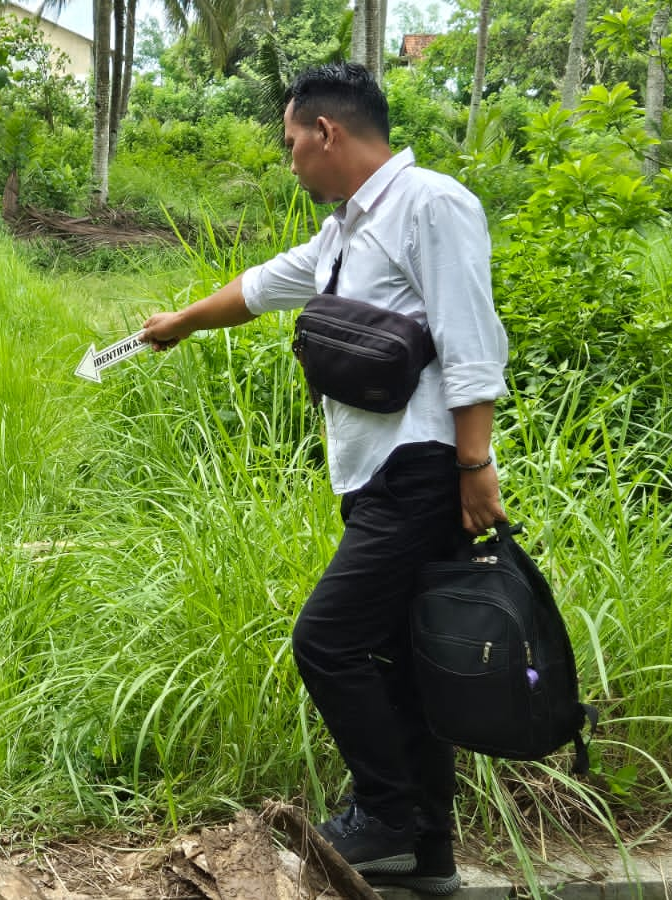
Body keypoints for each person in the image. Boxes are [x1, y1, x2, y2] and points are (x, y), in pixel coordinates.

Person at [139, 62, 508, 896]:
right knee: (400, 659)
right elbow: (265, 285)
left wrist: (474, 466)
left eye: (290, 142)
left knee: (328, 640)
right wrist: (180, 325)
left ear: (326, 131)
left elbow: (471, 345)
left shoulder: (432, 205)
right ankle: (426, 853)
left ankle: (382, 814)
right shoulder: (349, 227)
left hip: (422, 469)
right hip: (375, 476)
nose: (290, 159)